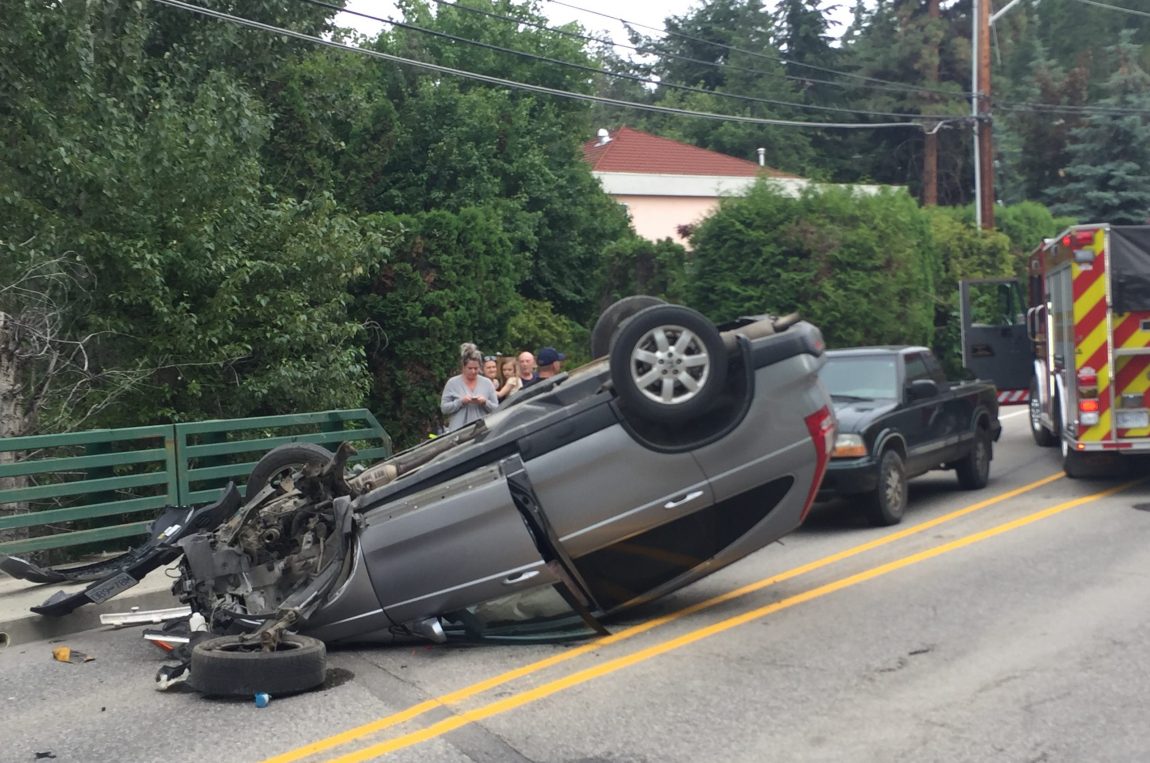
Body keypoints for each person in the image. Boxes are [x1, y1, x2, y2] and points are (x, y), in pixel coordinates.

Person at [440, 343, 499, 432]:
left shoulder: (487, 383)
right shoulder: (452, 383)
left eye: (476, 368)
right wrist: (460, 402)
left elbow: (496, 409)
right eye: (470, 368)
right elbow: (444, 408)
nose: (473, 371)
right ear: (463, 367)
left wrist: (485, 402)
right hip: (458, 431)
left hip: (482, 430)